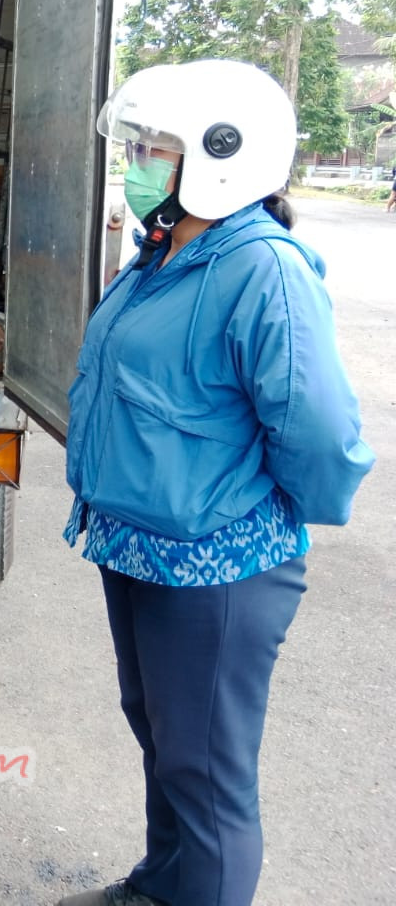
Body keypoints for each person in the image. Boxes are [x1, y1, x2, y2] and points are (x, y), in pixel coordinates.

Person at [59, 61, 374, 906]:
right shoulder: (164, 251)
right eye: (139, 146)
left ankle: (199, 888)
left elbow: (319, 432)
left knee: (206, 769)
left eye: (154, 148)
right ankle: (164, 884)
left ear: (220, 155)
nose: (138, 160)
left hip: (218, 562)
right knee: (163, 736)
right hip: (138, 544)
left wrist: (264, 514)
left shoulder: (261, 267)